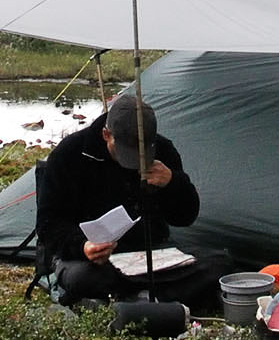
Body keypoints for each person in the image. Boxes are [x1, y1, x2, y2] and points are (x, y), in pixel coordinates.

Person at [36, 93, 217, 307]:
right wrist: (83, 246)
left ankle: (130, 298)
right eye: (125, 153)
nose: (132, 160)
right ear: (106, 134)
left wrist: (172, 183)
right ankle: (155, 296)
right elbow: (49, 225)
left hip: (152, 252)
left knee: (218, 262)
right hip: (93, 259)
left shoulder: (163, 151)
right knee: (81, 278)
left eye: (141, 153)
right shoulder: (71, 153)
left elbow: (185, 217)